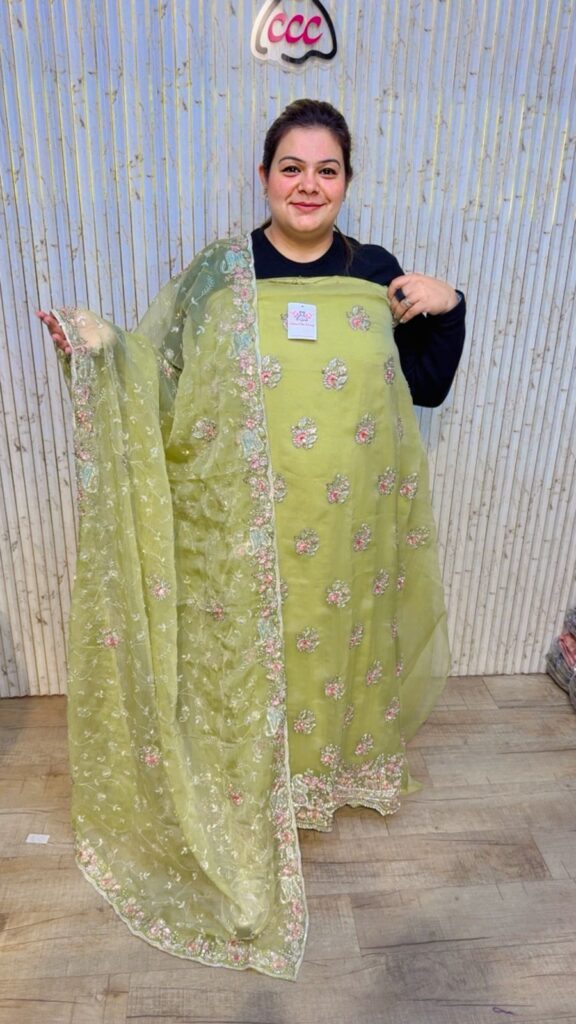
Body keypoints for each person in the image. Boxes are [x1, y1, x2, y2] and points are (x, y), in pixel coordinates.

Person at [37, 99, 465, 980]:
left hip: (345, 531)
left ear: (347, 181)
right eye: (291, 168)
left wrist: (449, 306)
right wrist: (104, 346)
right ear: (264, 176)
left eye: (327, 170)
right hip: (242, 531)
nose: (309, 185)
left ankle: (317, 782)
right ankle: (249, 786)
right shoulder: (220, 276)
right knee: (249, 656)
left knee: (333, 648)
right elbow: (161, 374)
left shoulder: (376, 274)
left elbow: (423, 387)